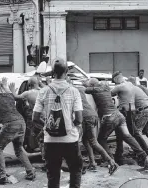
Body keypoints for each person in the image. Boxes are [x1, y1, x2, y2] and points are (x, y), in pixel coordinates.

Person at [33, 58, 83, 188]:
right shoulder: (74, 91)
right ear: (66, 71)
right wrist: (73, 126)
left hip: (50, 140)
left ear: (52, 73)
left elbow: (35, 118)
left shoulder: (43, 91)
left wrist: (48, 124)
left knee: (53, 175)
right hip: (70, 139)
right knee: (75, 170)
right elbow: (79, 118)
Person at [84, 78, 148, 169]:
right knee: (128, 137)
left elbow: (85, 89)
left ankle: (111, 161)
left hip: (110, 117)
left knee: (101, 139)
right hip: (120, 116)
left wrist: (85, 84)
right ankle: (145, 157)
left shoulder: (94, 89)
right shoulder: (107, 88)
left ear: (92, 85)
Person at [111, 72, 148, 168]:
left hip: (125, 111)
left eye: (114, 81)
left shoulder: (120, 86)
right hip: (131, 110)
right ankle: (119, 155)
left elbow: (108, 93)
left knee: (130, 135)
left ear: (116, 79)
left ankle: (146, 155)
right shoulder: (129, 84)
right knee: (122, 133)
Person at [76, 85, 118, 175]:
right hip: (92, 115)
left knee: (93, 142)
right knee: (86, 141)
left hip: (85, 116)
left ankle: (111, 162)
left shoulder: (69, 90)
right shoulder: (80, 88)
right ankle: (93, 163)